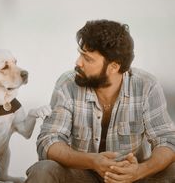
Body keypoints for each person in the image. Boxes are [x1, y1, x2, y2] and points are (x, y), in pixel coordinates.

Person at [25, 19, 175, 183]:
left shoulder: (146, 85)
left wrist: (139, 171)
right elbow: (49, 140)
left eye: (88, 59)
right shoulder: (68, 83)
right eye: (80, 54)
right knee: (43, 170)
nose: (78, 62)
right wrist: (92, 161)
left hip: (132, 177)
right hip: (82, 175)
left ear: (114, 67)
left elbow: (166, 140)